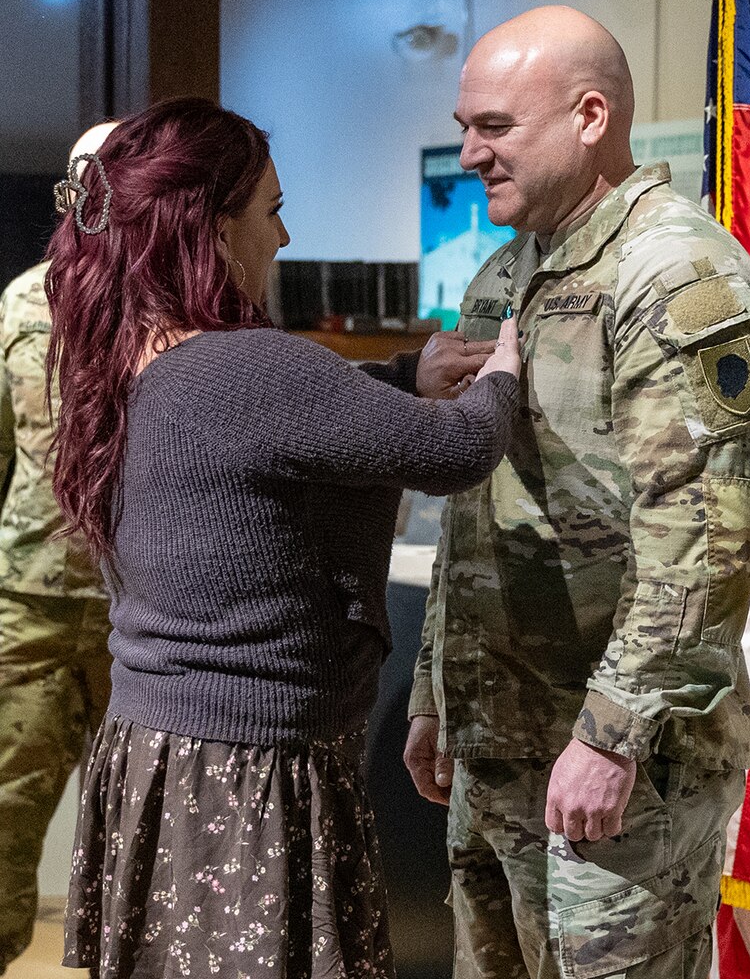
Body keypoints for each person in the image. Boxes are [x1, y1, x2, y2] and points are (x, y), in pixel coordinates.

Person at [44, 96, 521, 979]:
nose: (287, 237)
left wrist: (400, 374)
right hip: (250, 769)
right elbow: (453, 452)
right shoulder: (245, 367)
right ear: (213, 227)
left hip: (162, 754)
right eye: (271, 211)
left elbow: (282, 426)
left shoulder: (124, 352)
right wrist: (507, 367)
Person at [404, 5, 750, 979]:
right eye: (464, 127)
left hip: (616, 766)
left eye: (494, 127)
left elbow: (701, 539)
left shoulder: (673, 273)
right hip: (498, 750)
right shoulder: (506, 272)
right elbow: (474, 508)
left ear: (588, 115)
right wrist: (432, 691)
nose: (468, 152)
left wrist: (612, 739)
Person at [0, 122, 117, 975]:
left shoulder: (186, 302)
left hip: (142, 617)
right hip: (26, 610)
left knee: (142, 842)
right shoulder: (22, 302)